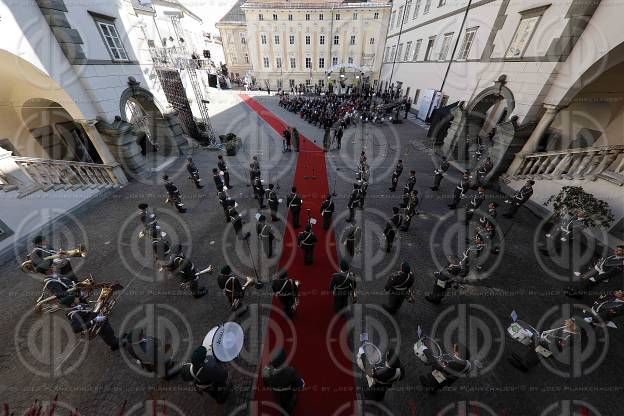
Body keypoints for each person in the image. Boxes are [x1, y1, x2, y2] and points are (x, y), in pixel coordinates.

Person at [508, 318, 579, 372]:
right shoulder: (567, 329)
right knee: (532, 352)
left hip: (549, 349)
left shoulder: (570, 337)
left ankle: (524, 367)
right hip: (545, 344)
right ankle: (524, 362)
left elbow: (556, 346)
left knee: (535, 355)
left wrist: (540, 340)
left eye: (569, 321)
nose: (566, 321)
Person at [262, 348, 305, 415]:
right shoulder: (290, 372)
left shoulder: (266, 372)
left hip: (277, 395)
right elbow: (299, 385)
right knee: (289, 406)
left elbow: (266, 384)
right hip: (289, 395)